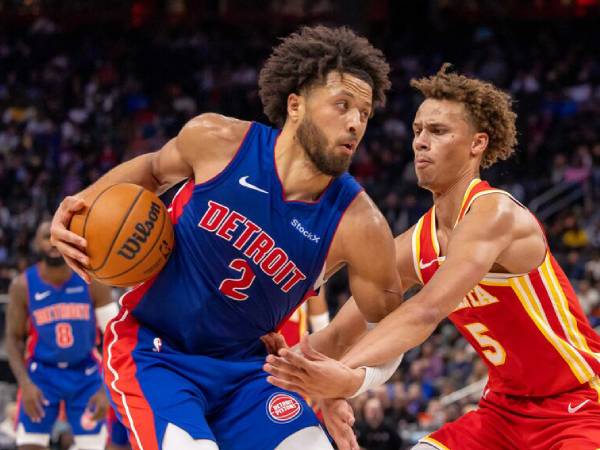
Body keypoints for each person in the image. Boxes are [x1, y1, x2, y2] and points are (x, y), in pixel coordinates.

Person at [49, 26, 402, 450]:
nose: (354, 123)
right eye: (342, 105)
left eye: (364, 114)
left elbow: (390, 325)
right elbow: (154, 170)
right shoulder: (219, 141)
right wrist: (79, 207)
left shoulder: (361, 225)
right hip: (155, 352)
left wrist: (348, 380)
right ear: (296, 105)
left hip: (249, 371)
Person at [263, 65, 600, 449]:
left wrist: (345, 376)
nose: (420, 142)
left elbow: (425, 310)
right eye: (418, 130)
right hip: (503, 411)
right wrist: (280, 366)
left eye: (438, 131)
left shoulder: (495, 215)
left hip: (579, 404)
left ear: (477, 144)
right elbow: (341, 332)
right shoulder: (413, 244)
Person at [5, 221, 117, 450]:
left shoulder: (92, 280)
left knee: (93, 446)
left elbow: (115, 335)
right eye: (47, 236)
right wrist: (24, 384)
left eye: (59, 236)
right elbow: (13, 339)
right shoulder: (22, 285)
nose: (53, 242)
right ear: (37, 242)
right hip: (42, 375)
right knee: (29, 445)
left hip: (86, 373)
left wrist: (107, 388)